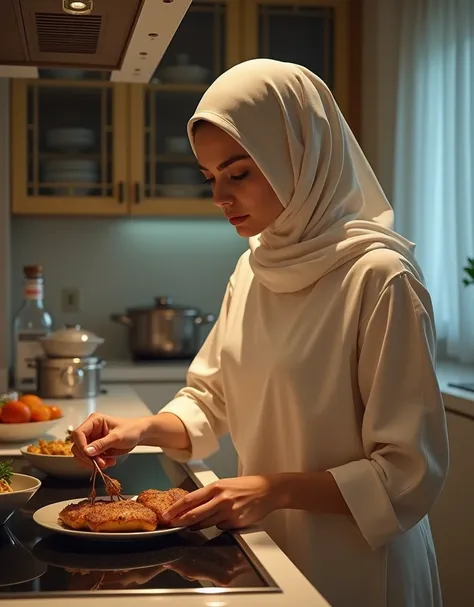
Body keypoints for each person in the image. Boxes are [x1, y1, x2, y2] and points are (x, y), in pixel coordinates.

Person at [72, 58, 449, 607]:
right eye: (210, 177)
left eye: (239, 172)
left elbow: (408, 472)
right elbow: (211, 396)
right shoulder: (254, 267)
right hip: (268, 552)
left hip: (364, 564)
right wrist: (141, 429)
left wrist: (272, 489)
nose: (220, 197)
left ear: (300, 154)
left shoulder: (380, 278)